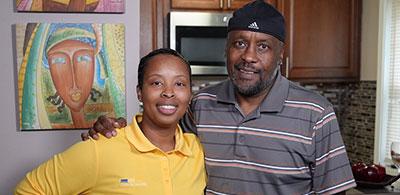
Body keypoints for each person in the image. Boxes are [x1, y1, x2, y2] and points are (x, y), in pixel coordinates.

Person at [84, 1, 356, 194]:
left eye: (263, 46)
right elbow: (158, 141)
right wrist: (113, 130)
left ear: (280, 54)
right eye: (239, 43)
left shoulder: (315, 113)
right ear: (226, 49)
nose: (248, 56)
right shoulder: (201, 105)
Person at [15, 48, 206, 194]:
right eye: (156, 83)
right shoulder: (100, 148)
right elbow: (29, 189)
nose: (169, 92)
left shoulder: (198, 152)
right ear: (139, 92)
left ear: (189, 94)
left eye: (179, 84)